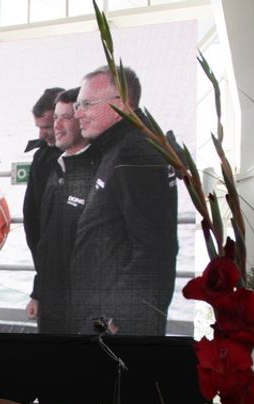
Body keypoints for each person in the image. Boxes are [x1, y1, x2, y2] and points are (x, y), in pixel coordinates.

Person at [69, 65, 178, 336]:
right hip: (107, 313)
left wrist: (114, 319)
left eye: (87, 104)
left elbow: (155, 246)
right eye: (76, 105)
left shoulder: (135, 153)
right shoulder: (119, 148)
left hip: (117, 324)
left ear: (121, 105)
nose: (78, 113)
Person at [34, 87, 100, 334]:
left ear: (83, 120)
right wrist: (38, 291)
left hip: (85, 306)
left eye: (66, 118)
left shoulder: (101, 171)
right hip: (52, 300)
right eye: (55, 118)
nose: (57, 126)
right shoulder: (58, 168)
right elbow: (46, 240)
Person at [23, 87, 64, 321]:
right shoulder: (41, 159)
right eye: (39, 127)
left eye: (47, 127)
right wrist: (38, 291)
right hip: (48, 277)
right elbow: (36, 225)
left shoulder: (94, 159)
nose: (42, 135)